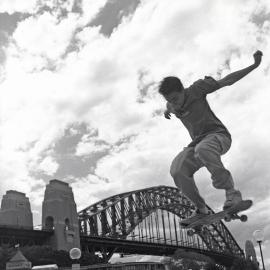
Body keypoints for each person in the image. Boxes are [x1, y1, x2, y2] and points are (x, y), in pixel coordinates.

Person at [158, 50, 263, 219]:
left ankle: (232, 194)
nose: (174, 104)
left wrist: (254, 65)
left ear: (183, 90)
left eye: (176, 98)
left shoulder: (197, 89)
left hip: (218, 136)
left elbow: (228, 80)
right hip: (197, 144)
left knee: (203, 149)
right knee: (177, 169)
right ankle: (201, 209)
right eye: (169, 100)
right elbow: (169, 106)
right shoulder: (171, 105)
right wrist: (166, 111)